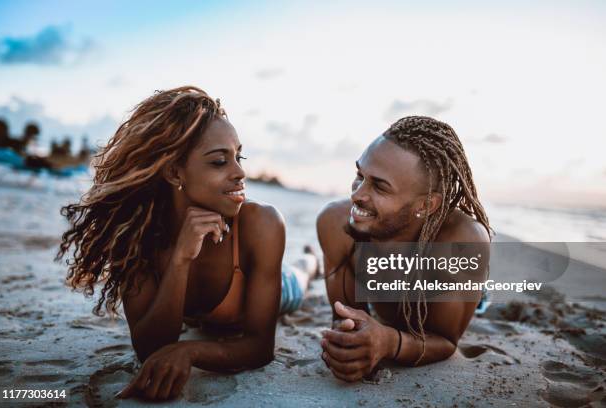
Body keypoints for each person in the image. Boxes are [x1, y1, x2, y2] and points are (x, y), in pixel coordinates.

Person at [56, 86, 317, 401]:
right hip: (193, 287)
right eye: (220, 161)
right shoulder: (137, 235)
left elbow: (260, 347)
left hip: (278, 287)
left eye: (239, 156)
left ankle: (312, 260)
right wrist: (180, 259)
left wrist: (189, 351)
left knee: (299, 277)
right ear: (174, 172)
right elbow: (149, 348)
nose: (240, 172)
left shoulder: (261, 223)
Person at [316, 116, 491, 382]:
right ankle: (309, 260)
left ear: (425, 206)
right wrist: (349, 343)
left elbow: (445, 340)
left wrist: (389, 342)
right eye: (359, 175)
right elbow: (345, 322)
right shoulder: (337, 224)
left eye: (379, 186)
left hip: (458, 283)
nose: (357, 194)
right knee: (311, 264)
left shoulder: (461, 243)